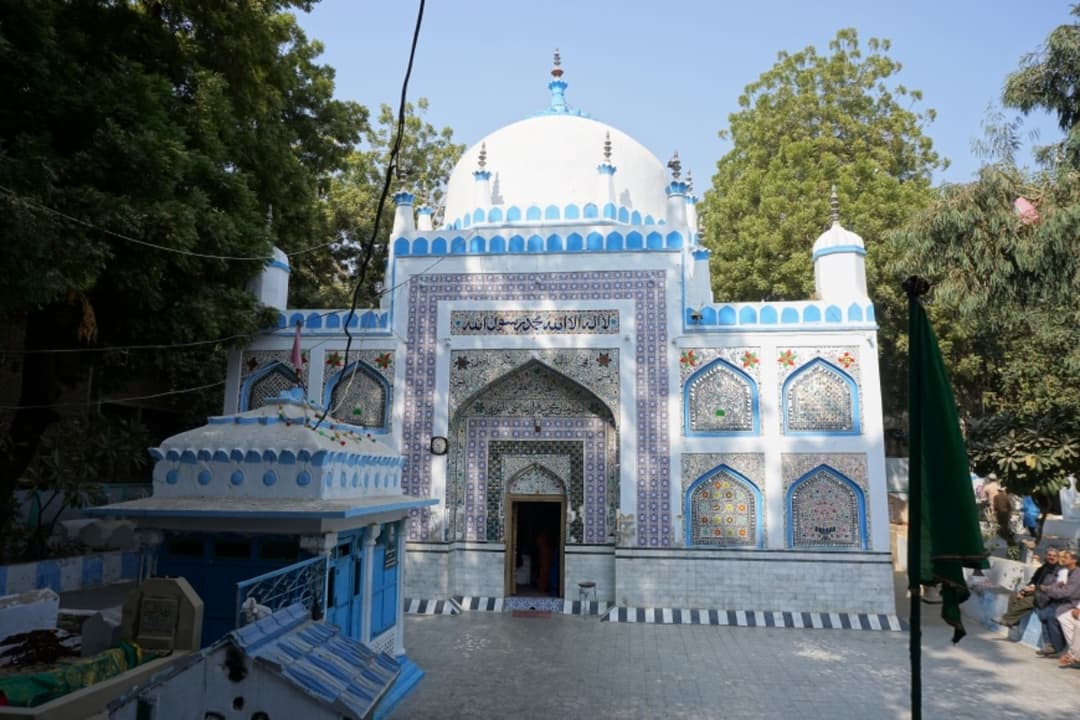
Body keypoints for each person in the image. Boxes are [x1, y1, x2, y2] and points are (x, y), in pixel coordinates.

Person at [995, 548, 1060, 627]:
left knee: (1026, 601)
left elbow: (1053, 586)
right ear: (1046, 556)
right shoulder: (1043, 568)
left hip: (1046, 595)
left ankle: (1006, 619)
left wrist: (1036, 588)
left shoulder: (1059, 570)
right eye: (1049, 555)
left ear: (1058, 557)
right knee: (1014, 596)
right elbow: (1033, 580)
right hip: (1036, 591)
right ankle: (1014, 622)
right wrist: (1023, 591)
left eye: (1054, 556)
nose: (1051, 557)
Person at [1035, 549, 1080, 658]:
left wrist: (1048, 590)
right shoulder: (1066, 571)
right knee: (1043, 613)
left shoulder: (1077, 573)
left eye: (1066, 557)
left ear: (1074, 560)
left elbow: (1067, 593)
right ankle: (1051, 645)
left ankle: (1061, 648)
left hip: (1071, 603)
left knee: (1054, 616)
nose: (1062, 559)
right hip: (1061, 601)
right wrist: (1049, 589)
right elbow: (1057, 586)